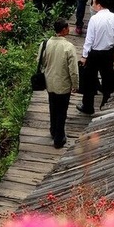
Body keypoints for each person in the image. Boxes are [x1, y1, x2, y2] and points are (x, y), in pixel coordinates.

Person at [77, 0, 114, 115]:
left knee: (89, 80)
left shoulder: (94, 19)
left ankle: (88, 106)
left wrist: (84, 56)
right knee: (108, 79)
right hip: (109, 53)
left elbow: (89, 40)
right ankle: (105, 104)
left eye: (93, 3)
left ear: (99, 5)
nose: (92, 5)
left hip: (94, 53)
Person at [37, 19, 79, 148]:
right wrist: (75, 85)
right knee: (62, 111)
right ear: (64, 30)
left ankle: (53, 130)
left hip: (50, 82)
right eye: (68, 28)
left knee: (53, 106)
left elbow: (40, 61)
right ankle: (59, 138)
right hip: (63, 84)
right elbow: (73, 70)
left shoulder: (45, 44)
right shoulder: (68, 47)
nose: (69, 30)